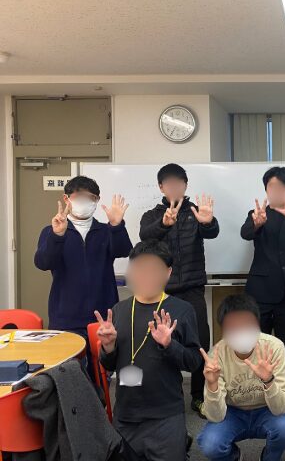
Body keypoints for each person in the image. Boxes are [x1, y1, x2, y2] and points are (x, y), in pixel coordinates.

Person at [97, 239, 202, 461]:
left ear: (168, 272)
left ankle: (181, 441)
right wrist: (108, 347)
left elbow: (194, 362)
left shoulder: (182, 310)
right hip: (126, 414)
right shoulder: (119, 310)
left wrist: (169, 345)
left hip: (166, 415)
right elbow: (109, 364)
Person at [139, 163, 219, 416]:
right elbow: (145, 235)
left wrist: (208, 222)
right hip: (162, 292)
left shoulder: (196, 211)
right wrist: (164, 224)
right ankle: (166, 396)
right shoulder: (152, 215)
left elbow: (213, 232)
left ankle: (199, 396)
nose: (174, 187)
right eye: (169, 183)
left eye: (179, 183)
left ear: (185, 185)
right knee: (160, 343)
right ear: (161, 187)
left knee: (199, 343)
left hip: (193, 290)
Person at [198, 293, 285, 461]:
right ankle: (234, 456)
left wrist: (268, 381)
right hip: (232, 412)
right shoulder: (216, 355)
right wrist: (212, 385)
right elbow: (216, 416)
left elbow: (281, 408)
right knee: (210, 444)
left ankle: (269, 458)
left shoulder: (274, 347)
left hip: (267, 410)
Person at [34, 175, 132, 336]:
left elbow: (124, 251)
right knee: (69, 354)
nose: (85, 201)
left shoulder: (105, 231)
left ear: (97, 200)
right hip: (65, 317)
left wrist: (116, 226)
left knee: (105, 353)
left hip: (103, 317)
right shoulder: (52, 231)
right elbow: (43, 263)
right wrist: (57, 236)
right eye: (79, 197)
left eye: (91, 197)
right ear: (66, 199)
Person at [240, 166, 285, 364]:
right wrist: (257, 224)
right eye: (272, 187)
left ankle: (283, 380)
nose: (276, 191)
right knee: (258, 343)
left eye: (282, 187)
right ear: (266, 189)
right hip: (261, 291)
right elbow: (245, 233)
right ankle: (258, 379)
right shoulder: (257, 214)